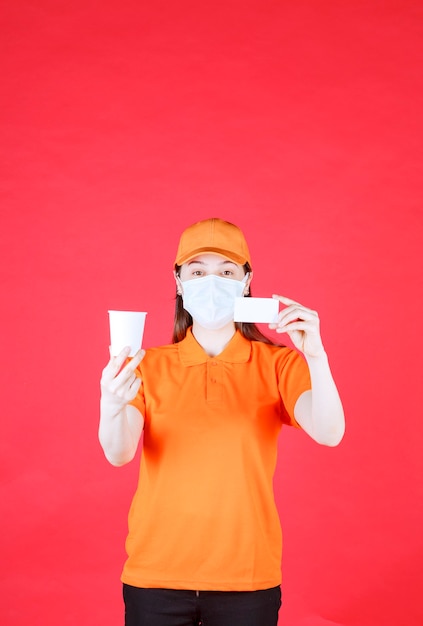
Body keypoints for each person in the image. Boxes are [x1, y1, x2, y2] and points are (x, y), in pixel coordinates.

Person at [99, 217, 345, 626]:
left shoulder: (279, 363)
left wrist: (316, 356)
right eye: (197, 272)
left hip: (247, 578)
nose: (211, 282)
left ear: (246, 281)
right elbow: (119, 453)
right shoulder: (147, 365)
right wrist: (111, 402)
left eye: (227, 271)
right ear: (179, 282)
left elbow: (330, 432)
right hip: (155, 575)